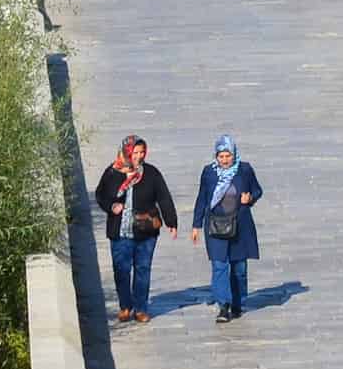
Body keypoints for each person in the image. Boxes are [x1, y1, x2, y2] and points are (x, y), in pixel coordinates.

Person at [96, 136, 176, 324]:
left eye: (142, 153)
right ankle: (125, 306)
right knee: (121, 270)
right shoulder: (112, 173)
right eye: (135, 153)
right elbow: (100, 195)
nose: (139, 157)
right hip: (120, 232)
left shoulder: (151, 173)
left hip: (145, 231)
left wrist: (171, 221)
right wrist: (111, 206)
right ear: (126, 152)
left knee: (143, 269)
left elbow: (163, 197)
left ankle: (140, 308)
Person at [191, 133, 265, 323]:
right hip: (215, 226)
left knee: (239, 267)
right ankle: (223, 305)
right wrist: (196, 225)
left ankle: (238, 302)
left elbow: (257, 190)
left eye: (228, 156)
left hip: (240, 226)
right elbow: (202, 199)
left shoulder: (244, 170)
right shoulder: (209, 173)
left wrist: (250, 198)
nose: (224, 160)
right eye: (221, 156)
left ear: (234, 154)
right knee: (219, 265)